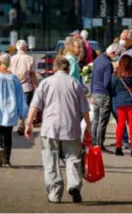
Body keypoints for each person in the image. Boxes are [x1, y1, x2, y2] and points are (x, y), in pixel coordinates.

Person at [25, 56, 91, 204]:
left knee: (51, 161)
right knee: (73, 158)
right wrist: (88, 126)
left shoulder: (46, 83)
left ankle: (54, 194)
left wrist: (29, 123)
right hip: (71, 128)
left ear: (54, 68)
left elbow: (35, 105)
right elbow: (85, 109)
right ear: (68, 69)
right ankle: (74, 185)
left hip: (50, 128)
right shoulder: (76, 83)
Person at [111, 55, 132, 157]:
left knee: (120, 125)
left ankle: (118, 147)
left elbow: (111, 88)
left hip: (120, 103)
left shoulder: (115, 76)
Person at [90, 44, 120, 149]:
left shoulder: (97, 60)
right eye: (116, 54)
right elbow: (107, 83)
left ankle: (93, 142)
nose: (116, 57)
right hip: (104, 94)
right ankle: (100, 144)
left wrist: (92, 92)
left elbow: (92, 78)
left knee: (95, 120)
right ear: (113, 53)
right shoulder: (108, 64)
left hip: (95, 93)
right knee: (102, 121)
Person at [9, 40, 37, 135]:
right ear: (25, 48)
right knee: (25, 105)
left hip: (14, 85)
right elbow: (32, 75)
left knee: (15, 104)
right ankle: (22, 123)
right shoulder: (30, 59)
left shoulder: (11, 58)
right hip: (27, 86)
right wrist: (36, 86)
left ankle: (13, 123)